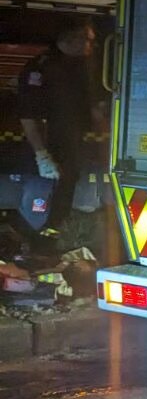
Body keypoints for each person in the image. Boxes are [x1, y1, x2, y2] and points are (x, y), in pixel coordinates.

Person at [17, 21, 98, 237]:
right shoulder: (41, 67)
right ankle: (31, 242)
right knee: (39, 201)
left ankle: (51, 239)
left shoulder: (82, 66)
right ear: (71, 39)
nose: (91, 44)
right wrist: (41, 155)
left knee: (63, 197)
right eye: (87, 39)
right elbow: (28, 115)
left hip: (70, 145)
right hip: (46, 146)